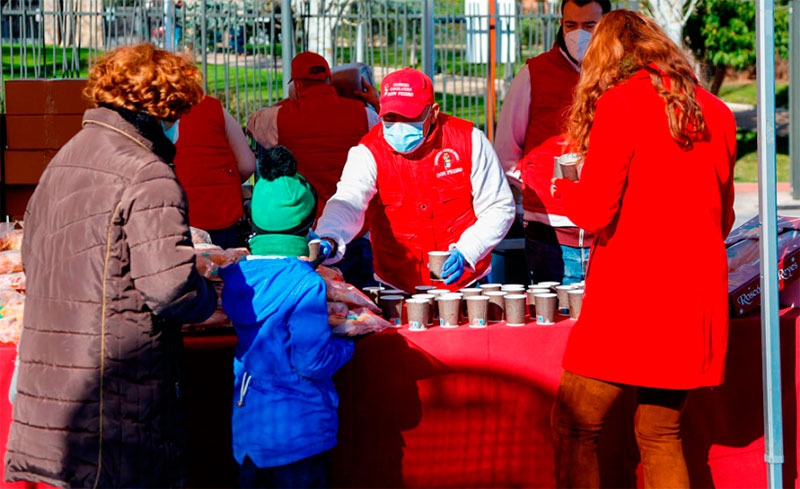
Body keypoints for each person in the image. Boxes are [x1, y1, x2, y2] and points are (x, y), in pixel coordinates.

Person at [4, 43, 217, 488]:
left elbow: (34, 258)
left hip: (53, 395)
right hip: (116, 396)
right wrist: (209, 292)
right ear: (162, 110)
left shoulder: (64, 159)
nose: (179, 127)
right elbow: (170, 289)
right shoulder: (147, 172)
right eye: (177, 115)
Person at [548, 10, 737, 488]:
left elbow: (591, 212)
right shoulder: (716, 110)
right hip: (695, 301)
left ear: (607, 58)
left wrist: (562, 185)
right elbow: (725, 216)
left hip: (633, 299)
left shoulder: (622, 102)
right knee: (660, 432)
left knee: (574, 423)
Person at [219, 145, 354, 489]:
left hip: (250, 432)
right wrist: (348, 343)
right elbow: (312, 360)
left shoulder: (236, 278)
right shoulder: (306, 284)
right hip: (300, 433)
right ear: (307, 228)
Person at [314, 67, 515, 294]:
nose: (398, 125)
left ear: (433, 112)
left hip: (466, 283)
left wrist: (468, 250)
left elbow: (498, 206)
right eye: (390, 117)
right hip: (396, 284)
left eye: (409, 117)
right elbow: (349, 199)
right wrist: (329, 235)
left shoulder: (469, 141)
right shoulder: (369, 151)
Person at [494, 0, 611, 285]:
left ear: (606, 25)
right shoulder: (533, 74)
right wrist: (535, 186)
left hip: (608, 236)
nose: (578, 34)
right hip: (550, 236)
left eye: (589, 26)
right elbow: (506, 150)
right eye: (570, 25)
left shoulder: (619, 75)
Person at [246, 51, 380, 288]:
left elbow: (252, 125)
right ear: (330, 80)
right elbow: (386, 131)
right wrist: (376, 101)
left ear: (296, 84)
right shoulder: (365, 115)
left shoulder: (277, 118)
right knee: (361, 311)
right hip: (355, 231)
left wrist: (290, 102)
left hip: (305, 235)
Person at [173, 94, 256, 248]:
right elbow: (248, 164)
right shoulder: (213, 106)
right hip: (221, 215)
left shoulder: (146, 111)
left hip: (173, 220)